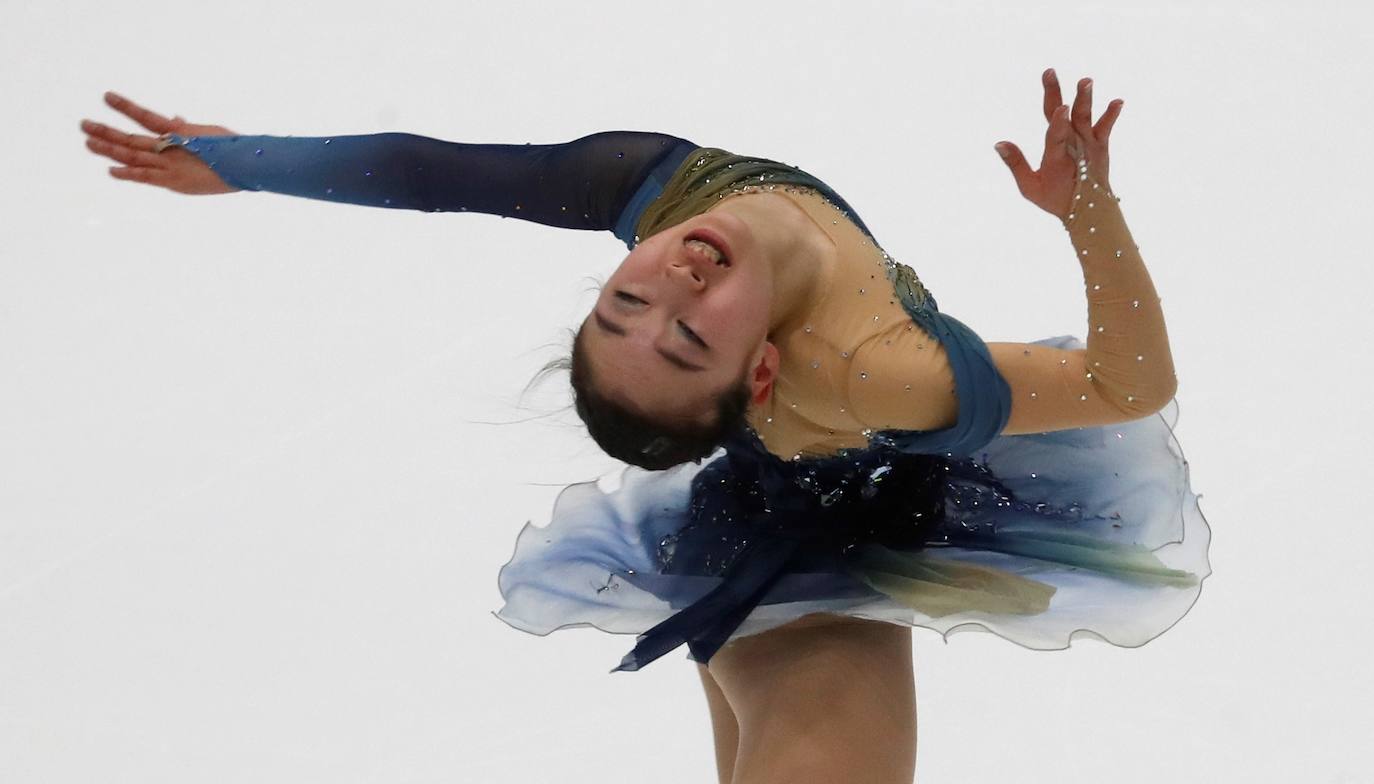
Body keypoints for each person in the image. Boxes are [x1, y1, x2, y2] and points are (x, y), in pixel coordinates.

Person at [82, 69, 1210, 783]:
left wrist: (235, 160)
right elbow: (1125, 386)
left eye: (631, 302)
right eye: (689, 337)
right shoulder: (875, 374)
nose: (674, 283)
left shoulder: (664, 196)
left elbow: (433, 171)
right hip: (814, 575)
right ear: (764, 368)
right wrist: (1090, 214)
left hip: (760, 541)